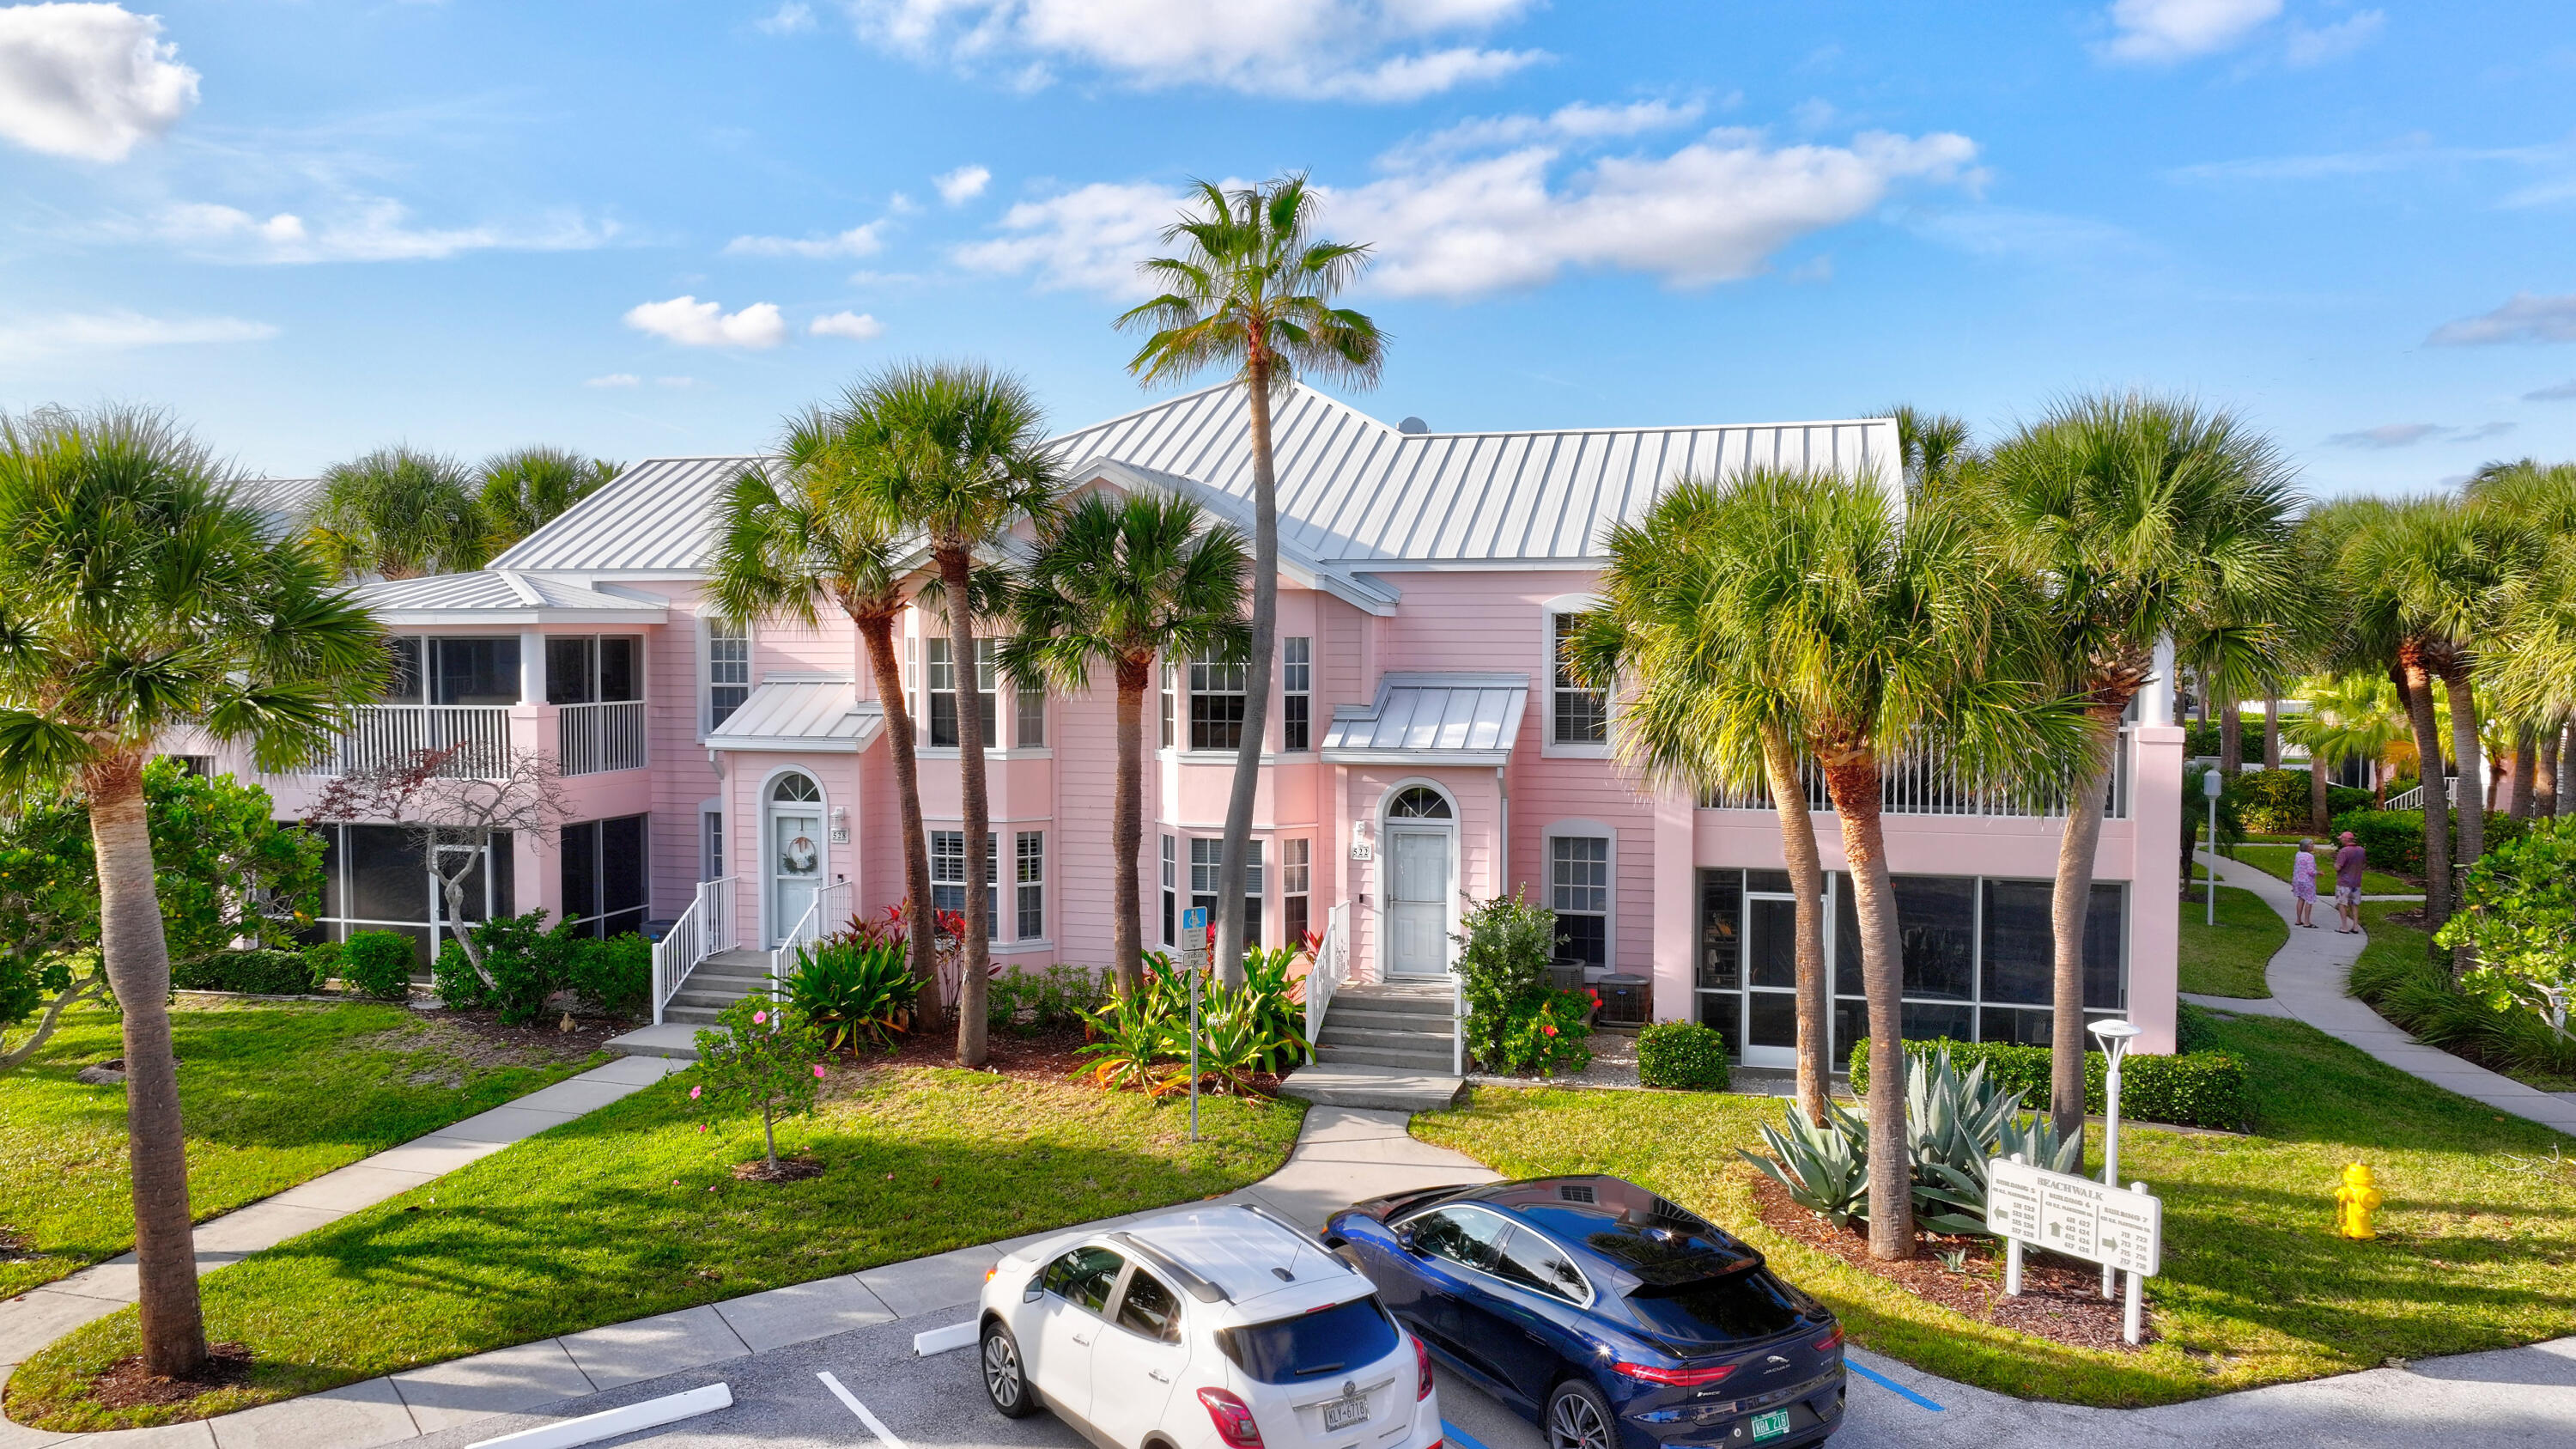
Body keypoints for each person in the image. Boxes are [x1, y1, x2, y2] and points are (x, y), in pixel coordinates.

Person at [2332, 831, 2367, 934]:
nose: (2341, 841)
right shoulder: (2361, 850)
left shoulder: (2344, 851)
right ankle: (2355, 926)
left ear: (2346, 839)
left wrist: (2335, 865)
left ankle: (2344, 927)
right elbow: (2363, 865)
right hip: (2356, 882)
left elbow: (2338, 867)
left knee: (2342, 904)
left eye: (2342, 839)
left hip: (2344, 882)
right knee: (2354, 904)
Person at [2291, 837, 2319, 928]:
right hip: (2308, 881)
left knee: (2300, 899)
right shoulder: (2310, 857)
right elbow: (2311, 871)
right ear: (2306, 846)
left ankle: (2298, 920)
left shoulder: (2298, 854)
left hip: (2298, 880)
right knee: (2309, 900)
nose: (2313, 846)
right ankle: (2307, 922)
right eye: (2311, 844)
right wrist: (2318, 873)